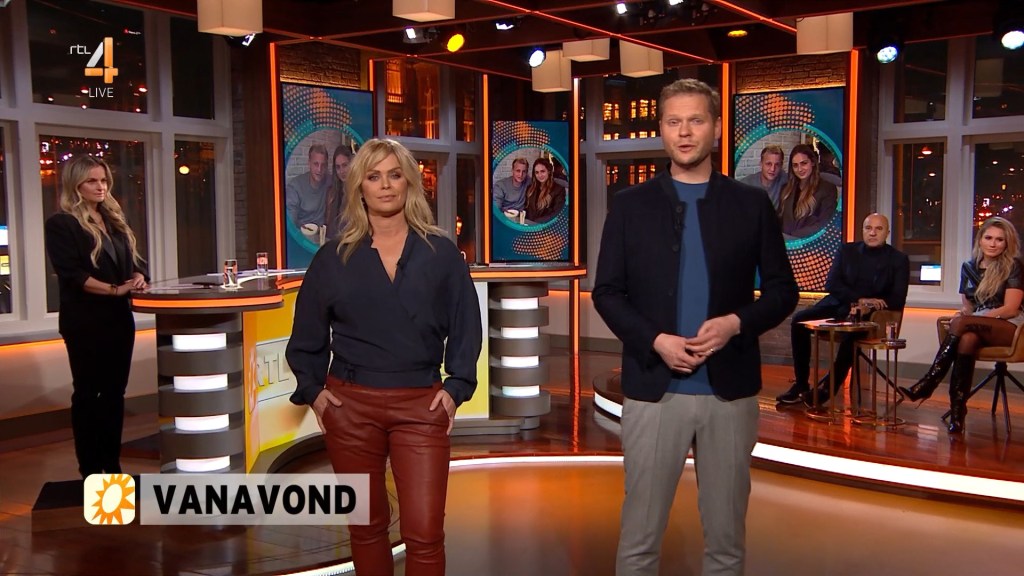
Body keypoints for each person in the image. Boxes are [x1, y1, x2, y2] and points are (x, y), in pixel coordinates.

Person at [593, 78, 798, 576]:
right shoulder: (630, 205)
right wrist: (655, 340)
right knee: (639, 541)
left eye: (696, 120)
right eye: (674, 122)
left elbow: (782, 292)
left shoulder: (751, 204)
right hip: (654, 391)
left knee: (726, 544)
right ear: (662, 130)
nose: (684, 132)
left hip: (728, 393)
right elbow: (607, 292)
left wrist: (735, 323)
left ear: (717, 128)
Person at [286, 138, 482, 576]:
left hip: (421, 405)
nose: (386, 185)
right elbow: (307, 333)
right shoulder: (333, 257)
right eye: (374, 177)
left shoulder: (441, 254)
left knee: (425, 533)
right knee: (367, 528)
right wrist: (314, 393)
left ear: (409, 182)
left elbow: (466, 325)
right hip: (350, 406)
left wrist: (456, 388)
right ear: (359, 186)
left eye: (395, 175)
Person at [44, 155, 149, 478]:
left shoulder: (113, 220)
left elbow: (133, 263)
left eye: (104, 180)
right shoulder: (62, 224)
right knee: (89, 394)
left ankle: (112, 465)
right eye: (92, 181)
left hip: (119, 320)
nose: (100, 186)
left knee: (115, 394)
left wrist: (137, 277)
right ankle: (91, 470)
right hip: (85, 321)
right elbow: (72, 274)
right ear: (76, 185)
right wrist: (114, 290)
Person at [899, 216, 1024, 435]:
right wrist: (965, 317)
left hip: (1009, 325)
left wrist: (974, 319)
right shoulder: (968, 267)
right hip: (977, 324)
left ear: (1007, 243)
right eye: (988, 238)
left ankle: (929, 382)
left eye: (999, 239)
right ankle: (958, 414)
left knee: (963, 324)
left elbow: (1011, 308)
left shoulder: (1013, 266)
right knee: (967, 338)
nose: (993, 244)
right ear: (980, 239)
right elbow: (968, 307)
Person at [777, 213, 910, 406]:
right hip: (838, 305)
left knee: (852, 333)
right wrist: (860, 299)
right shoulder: (847, 250)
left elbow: (897, 298)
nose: (872, 233)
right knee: (799, 320)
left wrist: (869, 305)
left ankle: (827, 389)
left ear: (887, 233)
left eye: (878, 229)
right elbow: (831, 284)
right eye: (868, 228)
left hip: (869, 315)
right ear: (862, 230)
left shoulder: (898, 260)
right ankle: (801, 385)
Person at [777, 143, 838, 238]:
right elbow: (779, 219)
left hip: (809, 243)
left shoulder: (827, 189)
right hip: (785, 242)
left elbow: (824, 223)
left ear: (812, 162)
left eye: (804, 163)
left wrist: (793, 237)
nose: (800, 169)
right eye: (795, 165)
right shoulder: (786, 189)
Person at [286, 143, 330, 229]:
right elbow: (290, 222)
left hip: (323, 233)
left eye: (323, 165)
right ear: (309, 163)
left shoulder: (329, 181)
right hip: (301, 234)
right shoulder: (295, 187)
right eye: (316, 164)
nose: (319, 169)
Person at [739, 144, 787, 209]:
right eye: (768, 164)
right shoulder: (746, 184)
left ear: (781, 166)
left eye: (777, 164)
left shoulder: (785, 179)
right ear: (761, 164)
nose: (772, 169)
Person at [523, 157, 567, 224]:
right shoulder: (530, 188)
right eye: (537, 172)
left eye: (542, 171)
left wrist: (536, 222)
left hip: (545, 227)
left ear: (548, 171)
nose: (540, 175)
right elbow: (526, 208)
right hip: (528, 225)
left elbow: (557, 214)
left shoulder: (559, 190)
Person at [324, 145, 353, 239]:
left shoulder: (359, 192)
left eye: (345, 165)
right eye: (338, 167)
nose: (341, 171)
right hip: (332, 242)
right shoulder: (331, 192)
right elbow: (328, 225)